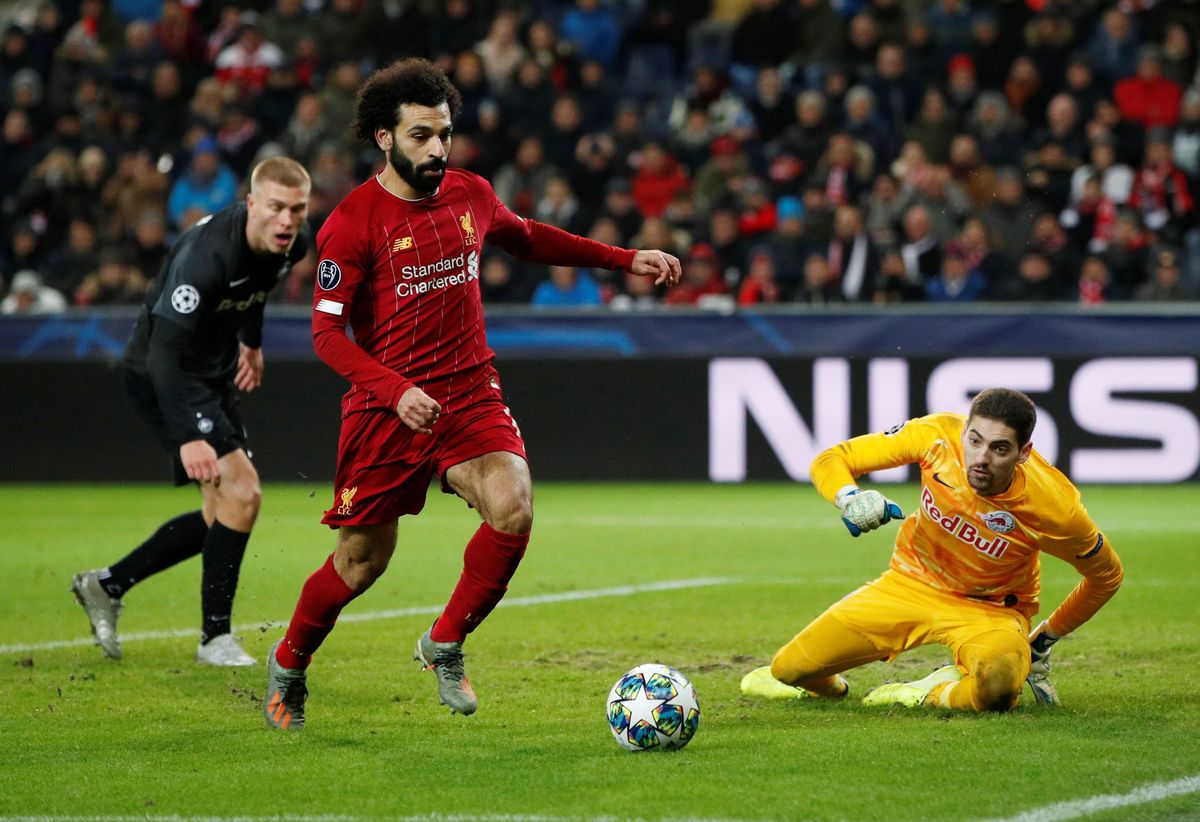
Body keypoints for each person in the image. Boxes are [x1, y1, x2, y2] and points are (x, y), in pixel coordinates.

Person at [263, 58, 680, 730]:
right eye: (421, 135)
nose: (438, 148)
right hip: (387, 408)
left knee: (513, 508)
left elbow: (530, 239)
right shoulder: (352, 222)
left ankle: (445, 641)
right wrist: (396, 391)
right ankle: (288, 663)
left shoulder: (471, 194)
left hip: (468, 390)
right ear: (384, 139)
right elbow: (326, 335)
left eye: (445, 134)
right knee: (361, 563)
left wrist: (623, 258)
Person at [741, 388, 1124, 712]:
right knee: (790, 670)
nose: (981, 458)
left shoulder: (1055, 509)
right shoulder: (937, 435)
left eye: (1000, 448)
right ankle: (833, 687)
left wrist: (1045, 638)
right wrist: (849, 497)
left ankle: (927, 692)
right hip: (908, 584)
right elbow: (832, 459)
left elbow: (1106, 577)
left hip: (991, 609)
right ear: (965, 431)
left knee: (998, 689)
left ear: (1024, 453)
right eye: (974, 440)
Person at [71, 157, 312, 666]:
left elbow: (258, 290)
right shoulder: (207, 258)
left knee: (221, 513)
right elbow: (163, 354)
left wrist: (251, 343)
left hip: (213, 373)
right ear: (251, 204)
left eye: (297, 209)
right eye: (275, 208)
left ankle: (106, 585)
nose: (287, 220)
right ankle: (214, 638)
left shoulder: (292, 243)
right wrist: (188, 436)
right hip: (163, 375)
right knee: (242, 494)